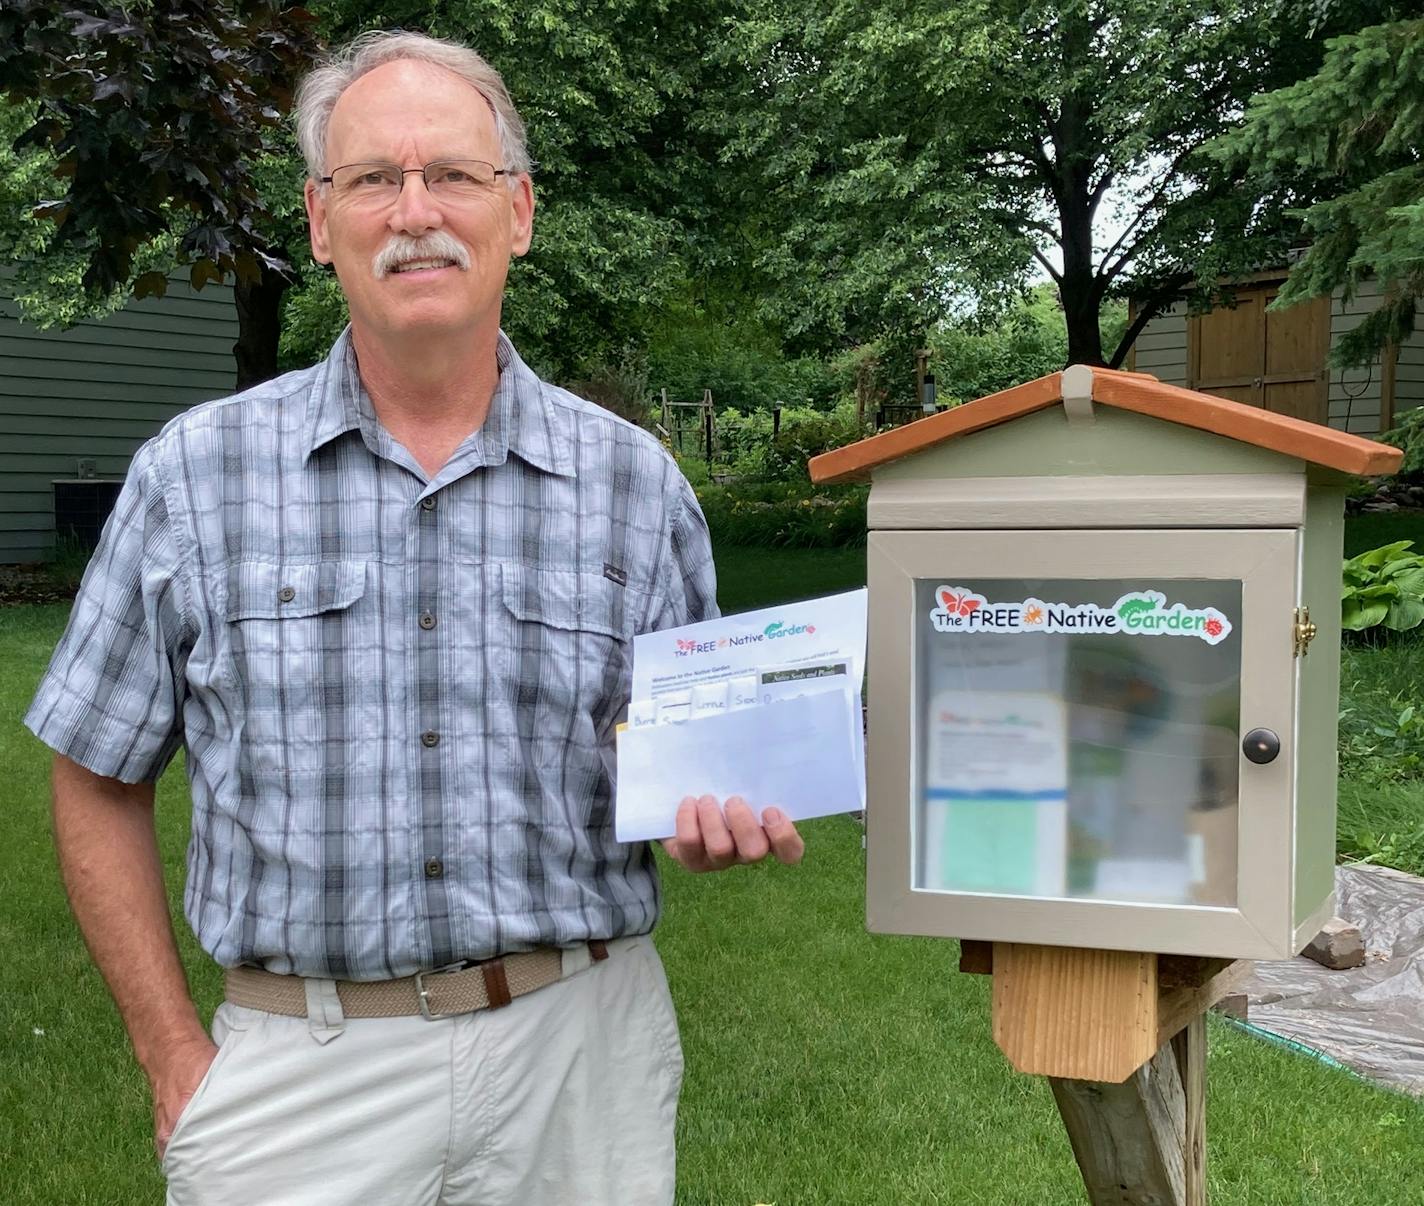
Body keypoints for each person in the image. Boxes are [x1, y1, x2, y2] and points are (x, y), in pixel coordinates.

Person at [25, 30, 804, 1206]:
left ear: (520, 212)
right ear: (319, 221)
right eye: (372, 180)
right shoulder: (195, 475)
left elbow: (674, 751)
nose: (413, 210)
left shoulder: (638, 486)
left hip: (577, 1053)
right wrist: (171, 1054)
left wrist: (713, 805)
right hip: (298, 1073)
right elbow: (93, 774)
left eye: (451, 174)